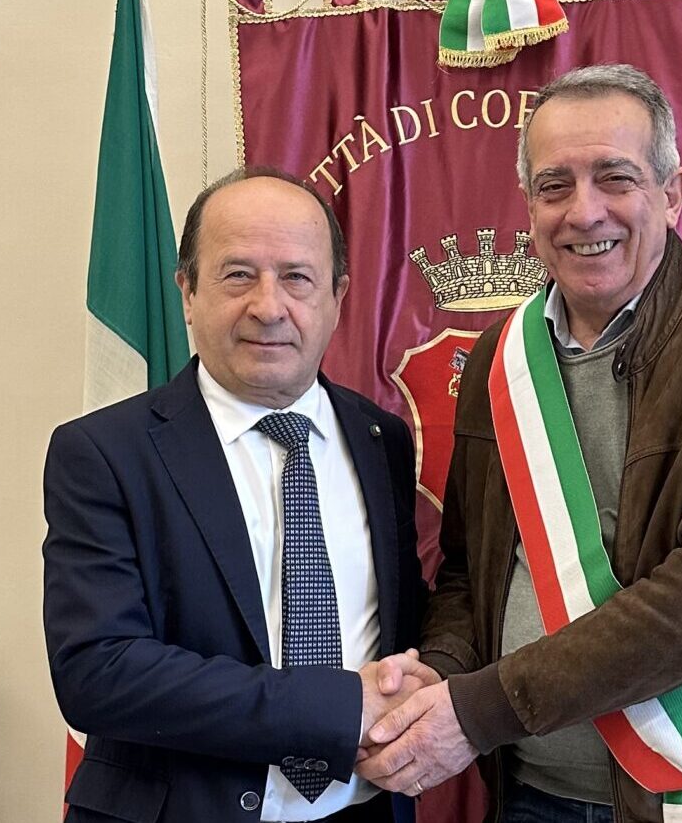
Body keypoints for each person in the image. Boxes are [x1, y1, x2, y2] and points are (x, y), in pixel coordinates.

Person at [356, 65, 682, 822]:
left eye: (615, 177)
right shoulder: (499, 356)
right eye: (555, 186)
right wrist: (434, 681)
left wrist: (477, 711)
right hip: (531, 791)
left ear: (673, 194)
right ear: (529, 208)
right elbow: (470, 572)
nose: (584, 211)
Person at [44, 167, 436, 823]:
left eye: (297, 277)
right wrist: (337, 708)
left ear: (337, 296)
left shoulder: (382, 439)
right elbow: (97, 670)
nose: (268, 306)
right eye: (237, 275)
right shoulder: (104, 453)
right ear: (187, 291)